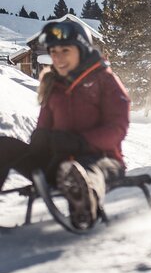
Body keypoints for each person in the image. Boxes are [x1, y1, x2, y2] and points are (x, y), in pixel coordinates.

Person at [0, 20, 130, 229]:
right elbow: (44, 125)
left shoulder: (105, 81)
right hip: (57, 160)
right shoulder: (53, 84)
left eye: (65, 51)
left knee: (85, 170)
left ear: (82, 49)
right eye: (53, 52)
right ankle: (74, 182)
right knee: (3, 146)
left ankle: (85, 204)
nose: (58, 58)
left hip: (101, 158)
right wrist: (40, 138)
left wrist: (79, 142)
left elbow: (117, 129)